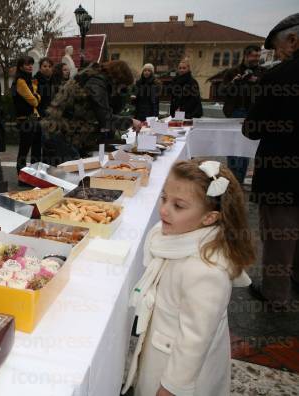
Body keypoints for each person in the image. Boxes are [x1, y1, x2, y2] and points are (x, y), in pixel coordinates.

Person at [122, 159, 255, 396]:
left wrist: (172, 387)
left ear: (209, 218)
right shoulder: (177, 238)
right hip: (160, 348)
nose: (164, 210)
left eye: (178, 206)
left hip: (178, 370)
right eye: (164, 199)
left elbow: (195, 340)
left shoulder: (206, 271)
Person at [242, 13, 299, 304]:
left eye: (277, 48)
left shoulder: (279, 76)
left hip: (283, 175)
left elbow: (252, 129)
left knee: (279, 233)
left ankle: (276, 293)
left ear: (292, 40)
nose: (276, 55)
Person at [42, 61, 142, 165]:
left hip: (63, 133)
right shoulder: (97, 83)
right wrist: (131, 121)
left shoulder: (97, 79)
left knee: (74, 173)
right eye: (122, 86)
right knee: (71, 174)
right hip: (60, 134)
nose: (120, 90)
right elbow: (105, 119)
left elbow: (109, 110)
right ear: (118, 79)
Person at [222, 45, 265, 184]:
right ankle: (231, 179)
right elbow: (222, 91)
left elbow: (268, 92)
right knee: (232, 146)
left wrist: (257, 82)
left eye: (258, 56)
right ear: (246, 56)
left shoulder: (262, 73)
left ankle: (238, 181)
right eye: (254, 56)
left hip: (251, 113)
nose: (256, 59)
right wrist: (234, 82)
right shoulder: (232, 72)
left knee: (244, 147)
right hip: (234, 112)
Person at [12, 56, 42, 175]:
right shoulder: (20, 81)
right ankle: (21, 175)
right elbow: (34, 101)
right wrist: (37, 96)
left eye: (31, 64)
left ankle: (35, 174)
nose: (30, 66)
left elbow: (34, 96)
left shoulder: (28, 80)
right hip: (25, 120)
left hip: (33, 118)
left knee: (36, 149)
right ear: (21, 66)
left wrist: (36, 95)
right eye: (27, 64)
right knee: (24, 150)